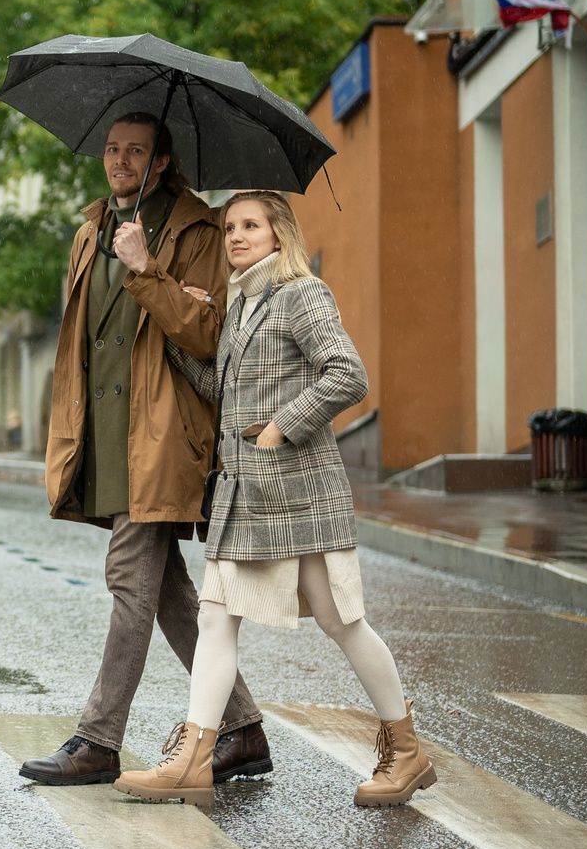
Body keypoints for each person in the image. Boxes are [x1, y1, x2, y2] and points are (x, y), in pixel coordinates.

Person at [119, 190, 431, 807]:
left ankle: (407, 749)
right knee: (215, 615)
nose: (236, 236)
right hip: (245, 495)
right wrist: (177, 329)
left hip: (298, 491)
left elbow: (347, 373)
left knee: (342, 621)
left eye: (250, 226)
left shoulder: (302, 295)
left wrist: (282, 425)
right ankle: (195, 756)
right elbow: (219, 387)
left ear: (278, 234)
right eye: (230, 226)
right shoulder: (240, 304)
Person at [20, 113, 272, 787]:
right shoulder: (90, 230)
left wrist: (147, 269)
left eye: (135, 151)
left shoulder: (198, 231)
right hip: (105, 434)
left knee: (129, 579)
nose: (120, 161)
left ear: (162, 161)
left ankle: (98, 740)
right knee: (166, 590)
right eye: (112, 149)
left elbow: (209, 333)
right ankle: (243, 729)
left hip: (161, 435)